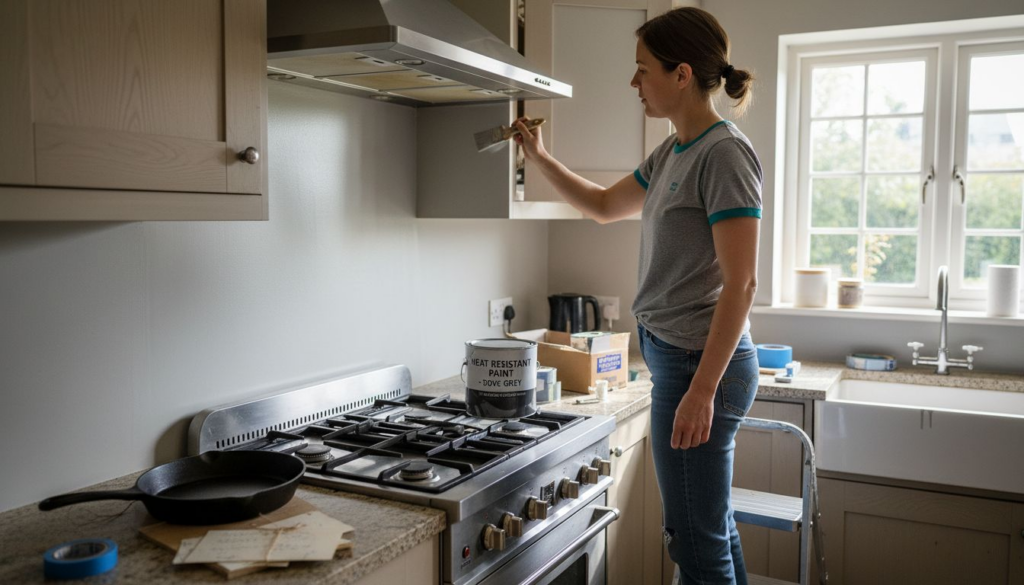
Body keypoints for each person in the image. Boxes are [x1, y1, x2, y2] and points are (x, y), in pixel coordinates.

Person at [513, 6, 761, 584]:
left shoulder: (723, 153)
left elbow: (741, 283)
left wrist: (702, 392)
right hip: (677, 359)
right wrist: (541, 159)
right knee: (711, 531)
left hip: (702, 366)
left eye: (641, 69)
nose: (633, 83)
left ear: (680, 74)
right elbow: (603, 207)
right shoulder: (675, 150)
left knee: (695, 545)